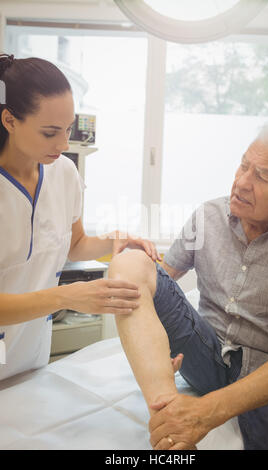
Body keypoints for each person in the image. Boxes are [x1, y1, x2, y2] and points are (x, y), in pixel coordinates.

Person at [108, 124, 268, 450]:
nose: (241, 183)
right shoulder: (208, 216)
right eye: (243, 165)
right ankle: (173, 433)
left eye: (262, 177)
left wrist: (207, 412)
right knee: (130, 262)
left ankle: (180, 429)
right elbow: (155, 282)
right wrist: (148, 341)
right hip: (204, 354)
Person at [0, 53, 161, 381]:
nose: (63, 143)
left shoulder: (63, 173)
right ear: (10, 120)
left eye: (68, 129)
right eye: (50, 132)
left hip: (30, 358)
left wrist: (113, 239)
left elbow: (73, 244)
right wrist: (65, 296)